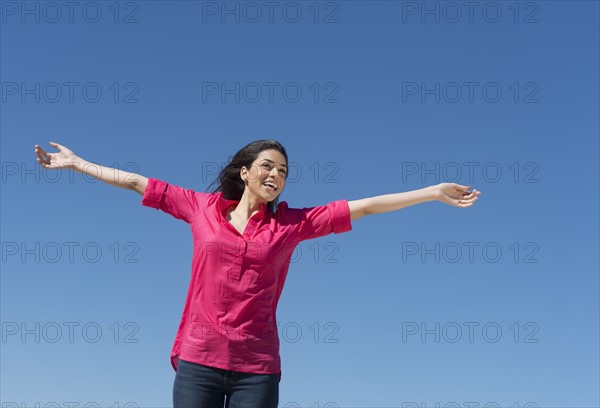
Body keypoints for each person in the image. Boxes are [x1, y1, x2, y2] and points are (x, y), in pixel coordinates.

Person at [34, 140, 481, 407]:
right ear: (245, 172)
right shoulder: (201, 209)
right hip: (198, 361)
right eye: (268, 166)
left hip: (257, 367)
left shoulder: (292, 224)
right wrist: (78, 164)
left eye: (283, 172)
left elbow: (363, 206)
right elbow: (137, 182)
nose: (276, 174)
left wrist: (431, 192)